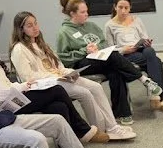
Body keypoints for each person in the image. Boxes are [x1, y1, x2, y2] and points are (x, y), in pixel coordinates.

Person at [0, 25, 135, 148]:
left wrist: (20, 86)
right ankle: (84, 131)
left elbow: (5, 83)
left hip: (13, 98)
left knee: (58, 106)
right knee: (58, 91)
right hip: (0, 109)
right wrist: (13, 90)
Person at [10, 11, 142, 133]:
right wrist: (57, 76)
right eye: (29, 25)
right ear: (21, 30)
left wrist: (71, 72)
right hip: (47, 85)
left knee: (95, 87)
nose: (35, 27)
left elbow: (59, 66)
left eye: (36, 23)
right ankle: (100, 130)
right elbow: (28, 77)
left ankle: (112, 127)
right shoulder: (19, 49)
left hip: (61, 78)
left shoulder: (43, 45)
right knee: (84, 93)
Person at [56, 0, 163, 125]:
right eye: (83, 12)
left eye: (87, 11)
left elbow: (104, 44)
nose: (86, 14)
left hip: (100, 59)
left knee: (116, 71)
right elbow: (64, 58)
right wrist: (85, 50)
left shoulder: (91, 26)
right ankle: (143, 79)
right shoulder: (64, 32)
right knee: (113, 56)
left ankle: (122, 114)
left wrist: (96, 47)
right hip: (82, 64)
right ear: (73, 14)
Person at [103, 0, 163, 113]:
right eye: (120, 7)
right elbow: (110, 49)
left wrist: (146, 42)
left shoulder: (137, 20)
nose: (123, 11)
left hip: (141, 50)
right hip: (125, 55)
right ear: (115, 7)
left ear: (130, 7)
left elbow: (144, 37)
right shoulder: (109, 25)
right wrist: (123, 49)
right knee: (155, 60)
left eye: (126, 8)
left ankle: (157, 94)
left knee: (150, 51)